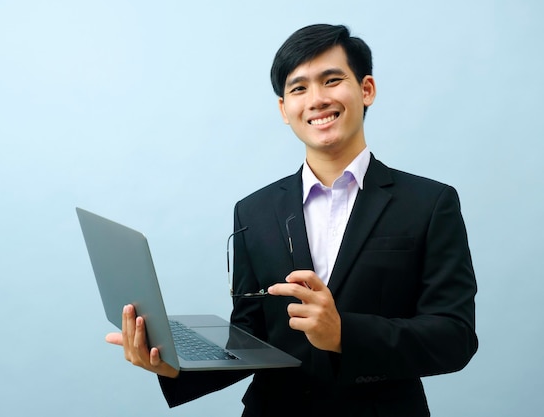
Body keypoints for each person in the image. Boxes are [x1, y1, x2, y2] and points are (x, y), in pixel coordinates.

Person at [106, 24, 478, 416]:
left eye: (332, 80)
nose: (316, 100)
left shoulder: (430, 203)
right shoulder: (253, 210)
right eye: (298, 88)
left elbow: (454, 338)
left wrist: (342, 334)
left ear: (366, 89)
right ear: (284, 109)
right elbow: (252, 338)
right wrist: (171, 365)